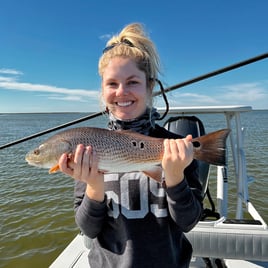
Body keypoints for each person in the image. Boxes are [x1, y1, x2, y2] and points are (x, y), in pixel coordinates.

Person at [59, 23, 203, 268]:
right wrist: (95, 185)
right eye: (112, 83)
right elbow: (89, 230)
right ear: (102, 91)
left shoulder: (172, 146)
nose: (122, 92)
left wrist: (175, 176)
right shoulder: (90, 147)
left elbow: (188, 223)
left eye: (132, 82)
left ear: (149, 87)